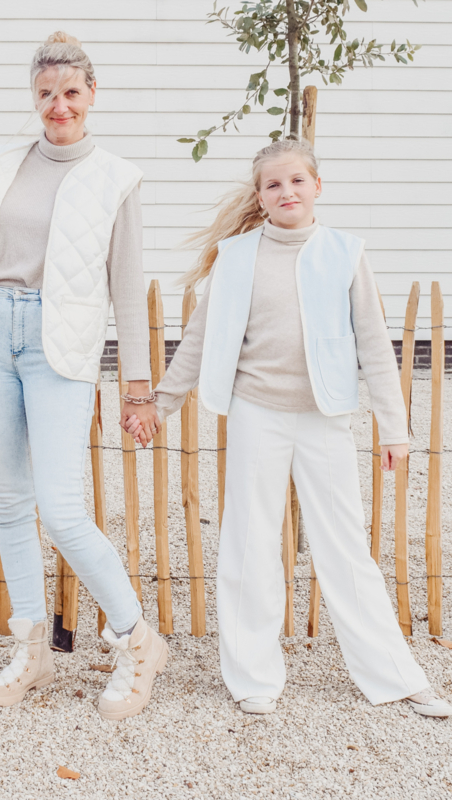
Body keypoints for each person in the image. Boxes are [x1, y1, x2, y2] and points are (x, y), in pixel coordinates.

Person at [125, 138, 452, 718]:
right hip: (257, 413)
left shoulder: (345, 253)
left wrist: (394, 427)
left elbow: (374, 344)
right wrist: (161, 402)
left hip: (324, 418)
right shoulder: (235, 255)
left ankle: (395, 676)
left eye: (297, 181)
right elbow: (200, 337)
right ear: (260, 196)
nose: (287, 192)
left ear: (317, 186)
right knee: (250, 541)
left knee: (345, 546)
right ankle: (252, 677)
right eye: (273, 184)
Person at [0, 32, 166, 720]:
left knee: (62, 508)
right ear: (34, 95)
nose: (59, 106)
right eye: (46, 93)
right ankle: (31, 650)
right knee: (10, 502)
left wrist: (137, 388)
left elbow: (127, 287)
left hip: (62, 346)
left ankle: (138, 642)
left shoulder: (117, 178)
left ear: (92, 94)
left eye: (71, 92)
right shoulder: (1, 163)